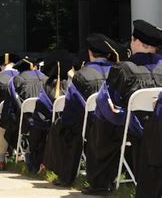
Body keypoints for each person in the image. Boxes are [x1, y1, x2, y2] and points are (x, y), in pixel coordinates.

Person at [83, 19, 162, 196]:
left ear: (137, 42)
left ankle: (101, 181)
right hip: (159, 127)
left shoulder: (124, 68)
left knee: (101, 122)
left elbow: (109, 105)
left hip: (134, 129)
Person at [46, 33, 121, 187]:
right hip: (121, 126)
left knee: (63, 126)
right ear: (108, 54)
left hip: (90, 127)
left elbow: (71, 109)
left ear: (89, 53)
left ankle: (66, 175)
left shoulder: (80, 75)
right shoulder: (119, 71)